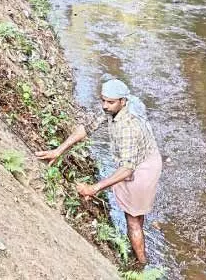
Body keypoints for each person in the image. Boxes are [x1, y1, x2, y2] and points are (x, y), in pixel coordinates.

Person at [36, 79, 162, 267]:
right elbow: (86, 128)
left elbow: (128, 167)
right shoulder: (112, 108)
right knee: (133, 214)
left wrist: (93, 188)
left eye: (109, 102)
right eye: (103, 100)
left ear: (123, 101)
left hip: (143, 168)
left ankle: (142, 265)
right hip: (133, 161)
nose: (104, 106)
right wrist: (58, 150)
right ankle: (138, 252)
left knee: (133, 219)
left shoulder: (128, 127)